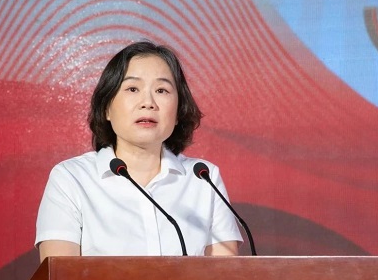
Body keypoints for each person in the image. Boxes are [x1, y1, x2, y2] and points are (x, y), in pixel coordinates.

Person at [35, 41, 242, 261]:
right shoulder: (71, 178)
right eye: (132, 89)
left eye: (161, 90)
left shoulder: (204, 180)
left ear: (178, 111)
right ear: (106, 108)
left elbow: (225, 276)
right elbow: (59, 277)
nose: (148, 103)